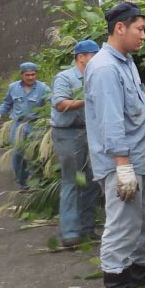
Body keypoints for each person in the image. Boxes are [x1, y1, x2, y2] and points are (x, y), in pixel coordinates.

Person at [84, 1, 145, 288]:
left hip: (140, 158)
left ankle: (138, 274)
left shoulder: (125, 61)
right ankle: (116, 286)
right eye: (140, 29)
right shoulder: (106, 68)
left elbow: (134, 115)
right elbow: (111, 123)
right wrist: (123, 167)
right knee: (122, 223)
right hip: (120, 163)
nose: (144, 36)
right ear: (119, 28)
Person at [50, 40, 103, 248]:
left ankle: (87, 228)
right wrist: (88, 100)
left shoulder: (96, 76)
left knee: (91, 180)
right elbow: (61, 103)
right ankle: (70, 232)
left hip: (90, 133)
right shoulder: (65, 77)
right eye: (93, 55)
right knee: (72, 180)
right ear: (81, 57)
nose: (97, 58)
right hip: (68, 134)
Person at [0, 61, 51, 189]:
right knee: (18, 153)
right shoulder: (13, 87)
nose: (30, 77)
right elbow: (7, 103)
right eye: (27, 75)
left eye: (33, 74)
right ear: (21, 75)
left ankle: (36, 182)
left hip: (36, 125)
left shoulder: (43, 88)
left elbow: (53, 101)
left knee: (36, 153)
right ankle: (22, 182)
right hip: (18, 125)